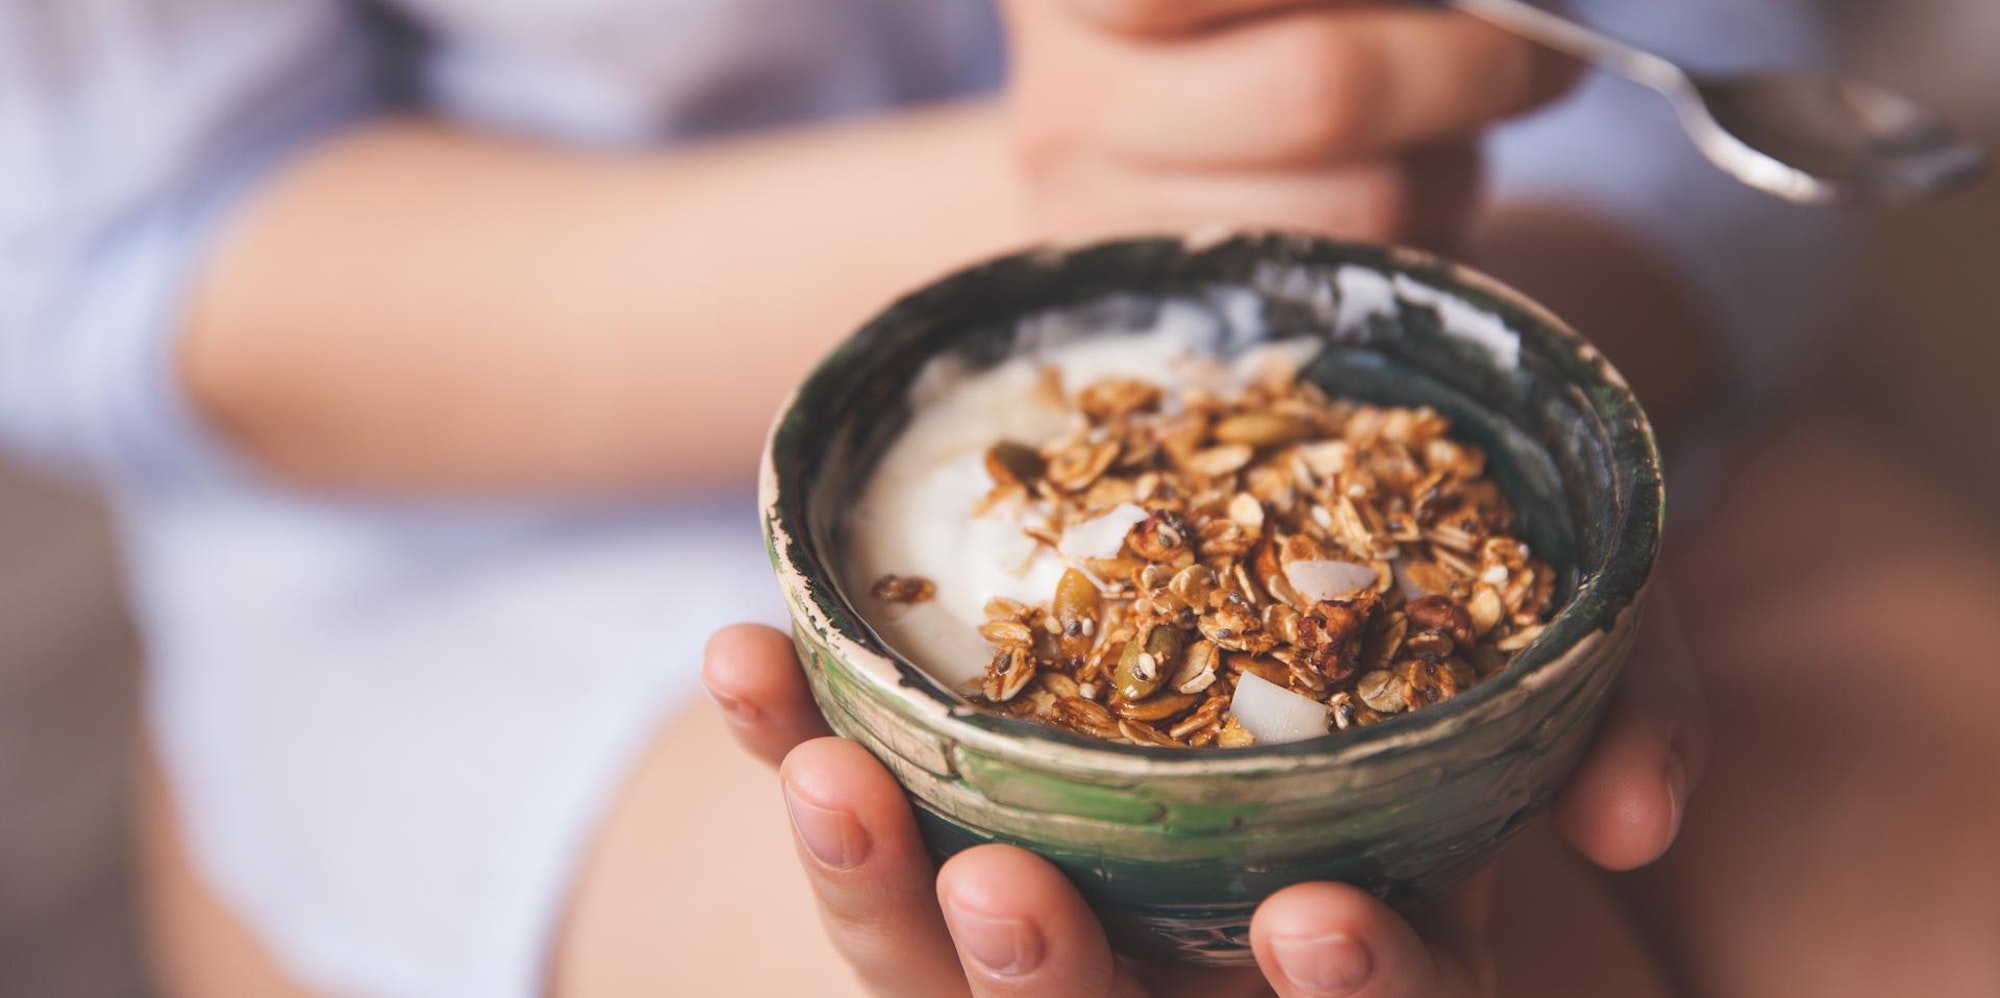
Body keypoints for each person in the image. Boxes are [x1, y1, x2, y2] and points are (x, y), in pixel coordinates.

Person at [14, 1, 1995, 997]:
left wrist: (1460, 398)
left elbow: (1714, 58)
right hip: (496, 491)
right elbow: (133, 254)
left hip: (1490, 288)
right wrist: (1058, 201)